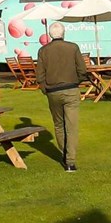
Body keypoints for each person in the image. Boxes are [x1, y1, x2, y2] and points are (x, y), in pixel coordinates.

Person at [35, 21, 86, 172]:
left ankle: (65, 154)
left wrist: (45, 89)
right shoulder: (73, 47)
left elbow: (40, 74)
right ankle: (70, 161)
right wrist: (77, 81)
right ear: (63, 33)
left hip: (53, 91)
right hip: (71, 89)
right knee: (72, 126)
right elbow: (82, 69)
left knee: (59, 125)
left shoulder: (43, 50)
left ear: (50, 34)